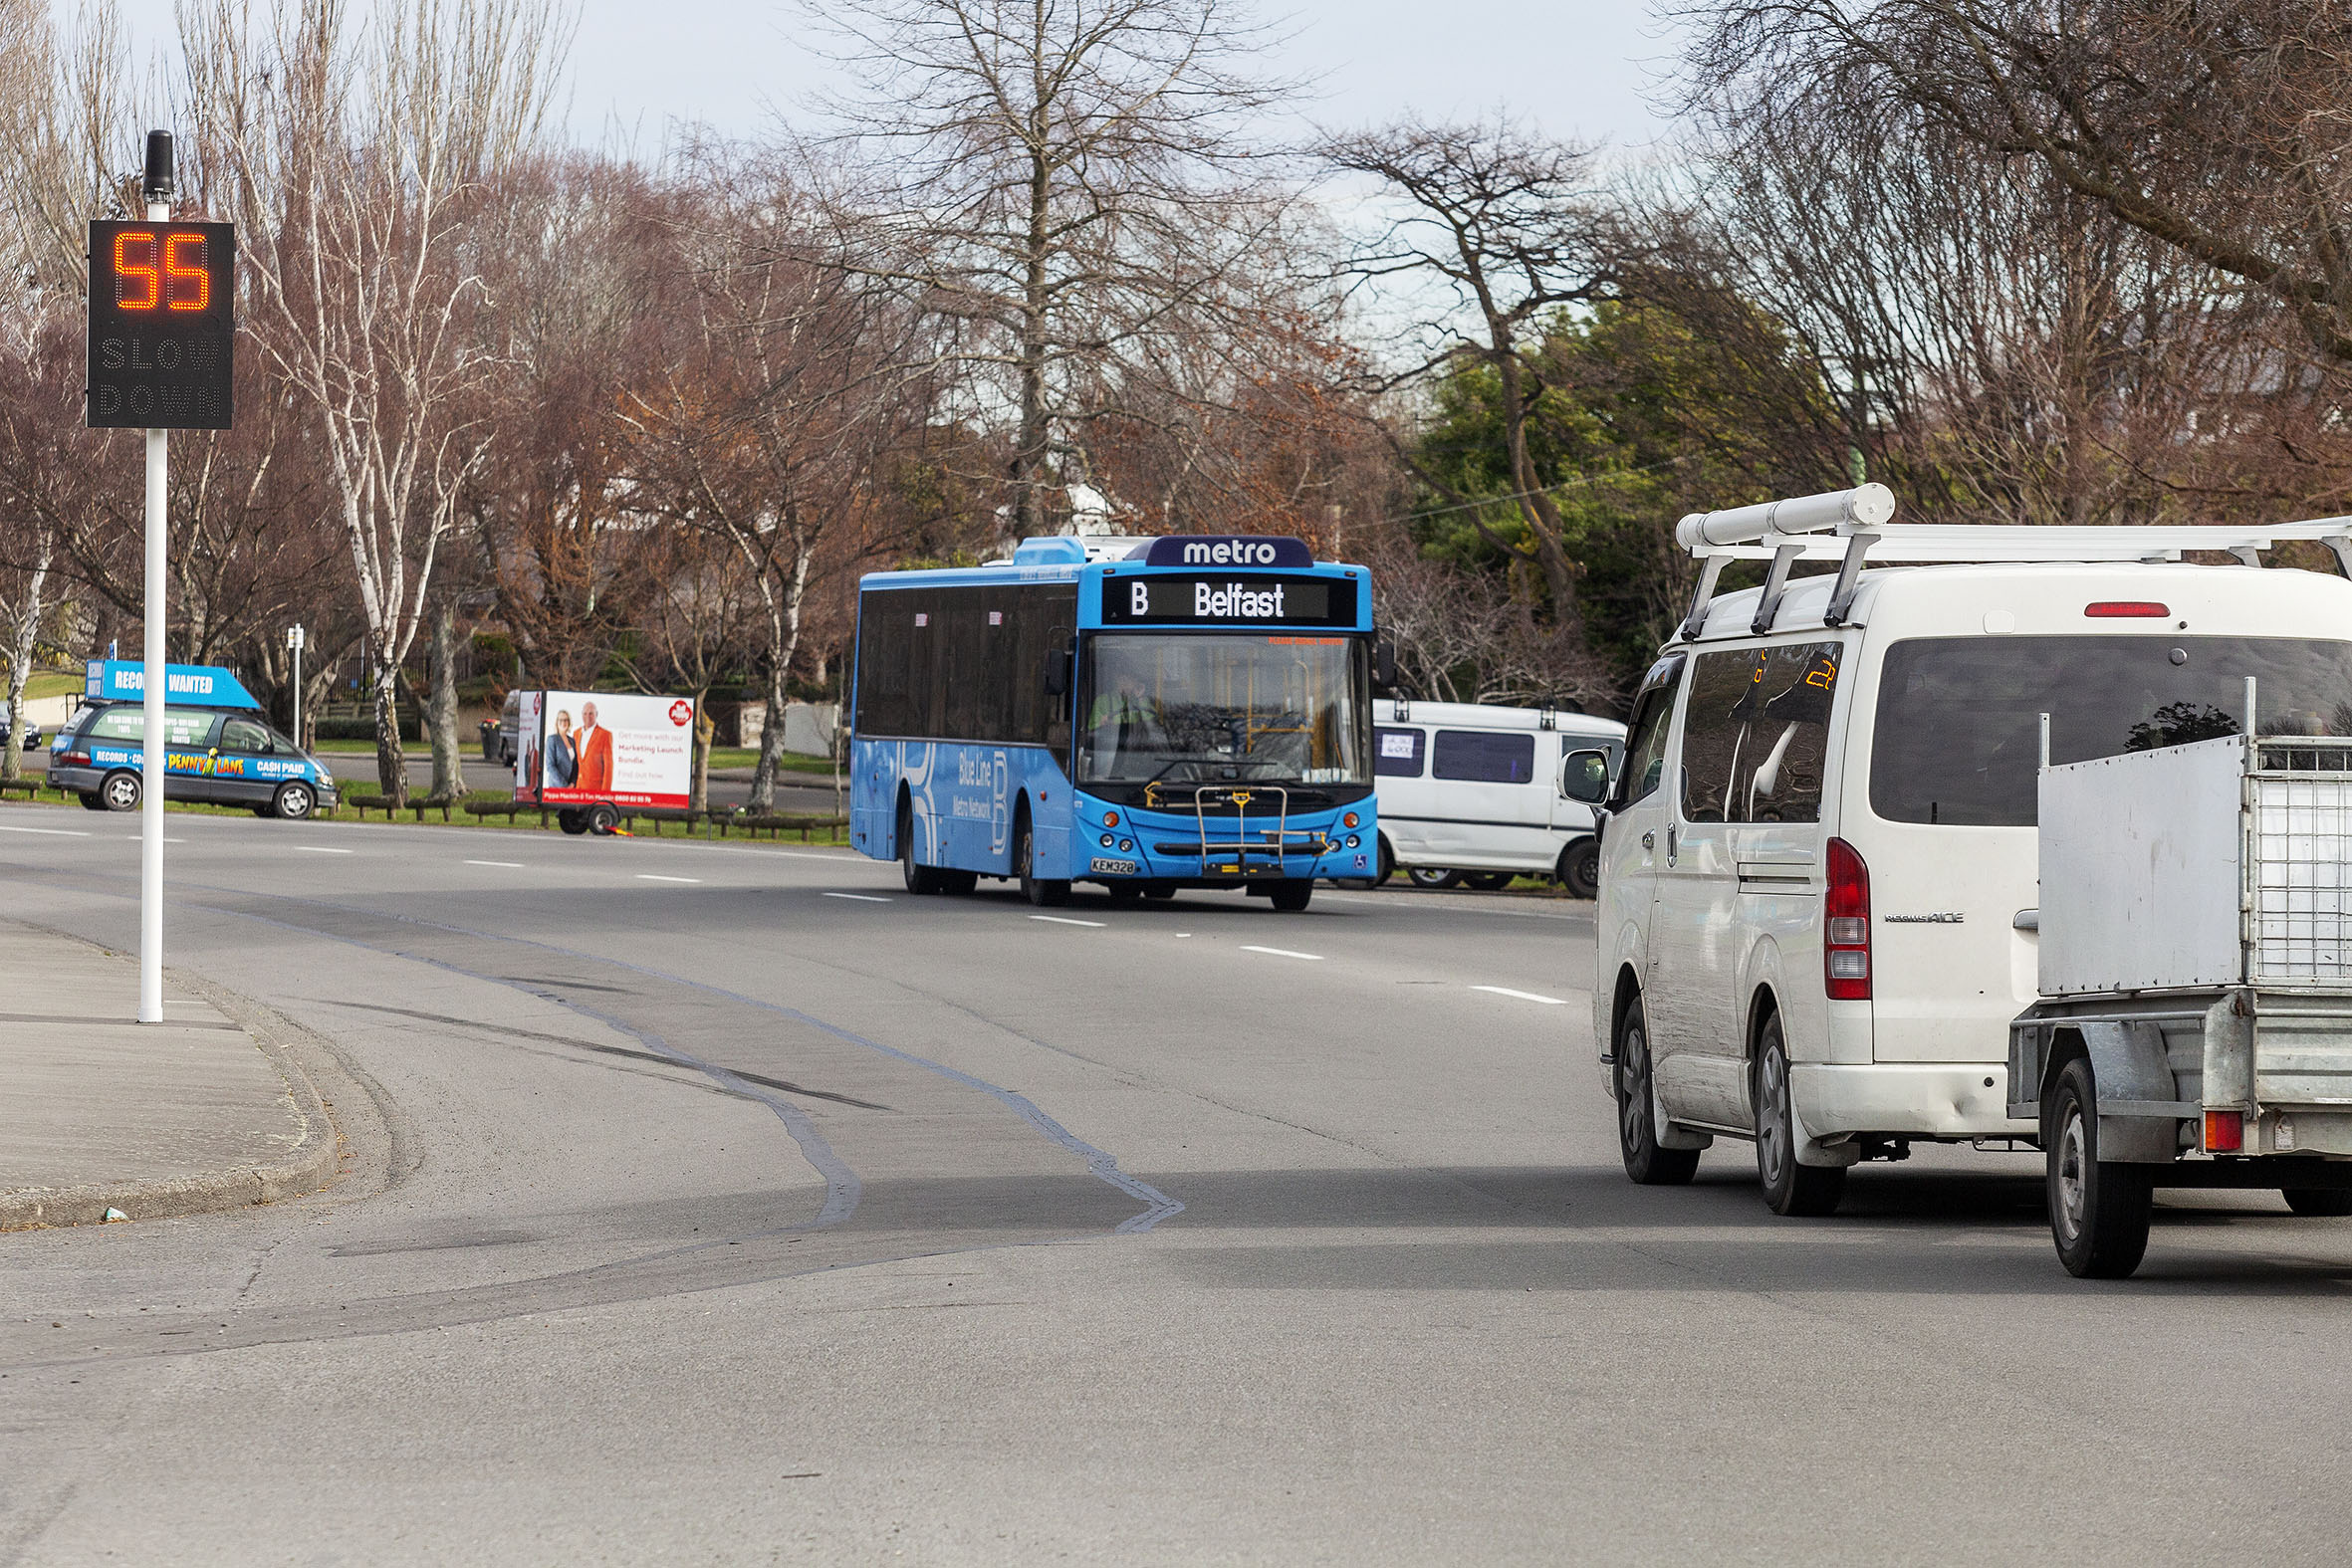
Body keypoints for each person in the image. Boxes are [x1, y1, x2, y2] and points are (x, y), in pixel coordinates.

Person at [575, 701, 614, 793]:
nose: (587, 716)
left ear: (596, 714)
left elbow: (608, 767)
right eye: (585, 713)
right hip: (578, 789)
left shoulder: (605, 735)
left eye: (591, 713)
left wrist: (605, 793)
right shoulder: (576, 733)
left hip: (595, 790)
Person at [546, 710, 578, 787]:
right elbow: (550, 766)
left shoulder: (572, 741)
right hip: (556, 787)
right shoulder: (552, 739)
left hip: (570, 788)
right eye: (561, 720)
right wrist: (564, 785)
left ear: (569, 722)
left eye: (566, 720)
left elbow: (575, 765)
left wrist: (572, 784)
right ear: (557, 722)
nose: (563, 722)